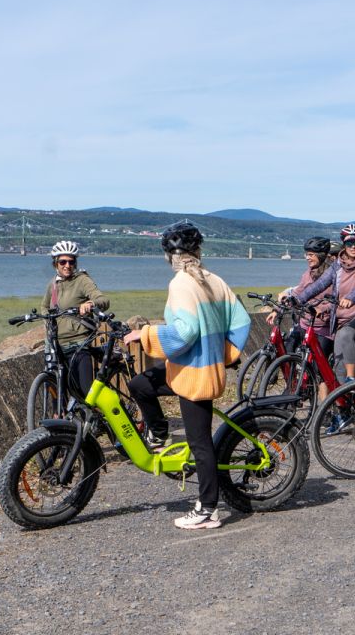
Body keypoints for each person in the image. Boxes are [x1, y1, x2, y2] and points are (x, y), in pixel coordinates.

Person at [123, 221, 251, 530]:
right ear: (197, 251)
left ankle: (208, 508)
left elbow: (184, 333)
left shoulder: (181, 283)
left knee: (199, 442)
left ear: (170, 256)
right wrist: (225, 355)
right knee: (140, 384)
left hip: (195, 374)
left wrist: (146, 334)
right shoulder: (214, 280)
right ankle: (159, 433)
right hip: (190, 368)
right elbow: (242, 321)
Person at [293, 224, 355, 386]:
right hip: (341, 318)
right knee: (337, 366)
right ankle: (344, 405)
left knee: (345, 335)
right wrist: (298, 299)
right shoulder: (338, 265)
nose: (353, 247)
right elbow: (320, 284)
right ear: (344, 244)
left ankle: (352, 381)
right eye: (349, 243)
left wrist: (351, 297)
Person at [40, 240, 109, 398]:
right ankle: (60, 418)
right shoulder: (53, 284)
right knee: (56, 390)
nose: (67, 265)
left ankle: (96, 420)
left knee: (86, 391)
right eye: (63, 261)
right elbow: (44, 306)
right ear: (55, 264)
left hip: (79, 342)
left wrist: (91, 304)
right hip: (56, 345)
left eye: (71, 261)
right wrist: (48, 323)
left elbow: (103, 300)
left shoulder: (82, 280)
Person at [268, 236, 335, 396]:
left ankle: (323, 407)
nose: (307, 257)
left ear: (321, 255)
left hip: (324, 328)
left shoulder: (334, 275)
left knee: (321, 369)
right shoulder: (308, 274)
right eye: (307, 254)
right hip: (306, 323)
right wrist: (278, 308)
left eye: (311, 254)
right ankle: (293, 387)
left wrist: (323, 308)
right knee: (288, 349)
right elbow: (298, 293)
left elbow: (336, 300)